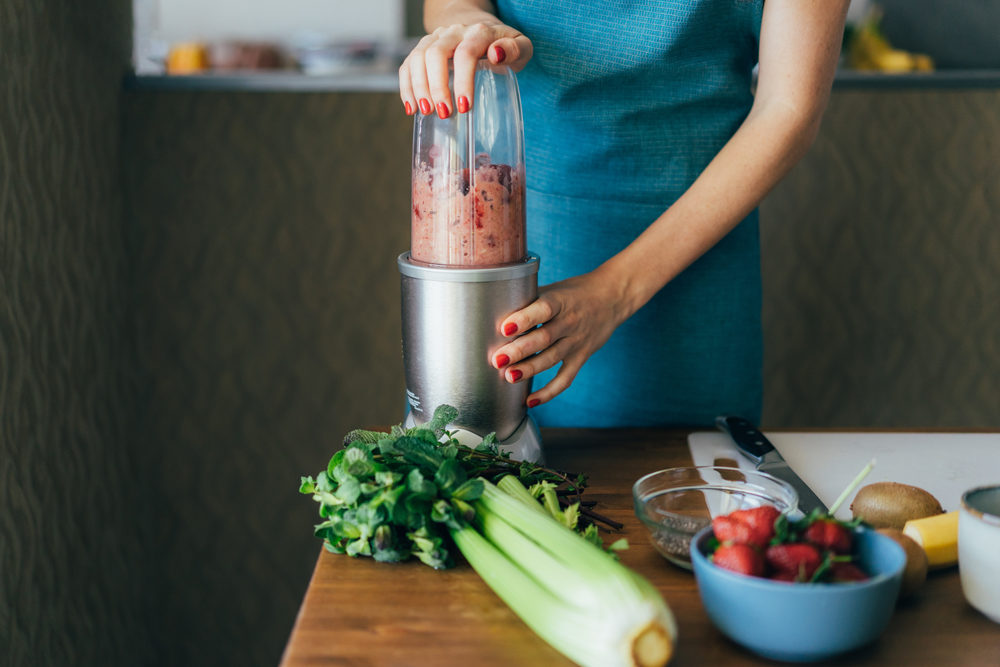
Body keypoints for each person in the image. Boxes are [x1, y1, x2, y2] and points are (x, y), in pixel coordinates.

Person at [399, 1, 850, 427]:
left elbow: (787, 108)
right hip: (506, 236)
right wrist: (473, 28)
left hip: (691, 255)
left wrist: (613, 292)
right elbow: (449, 3)